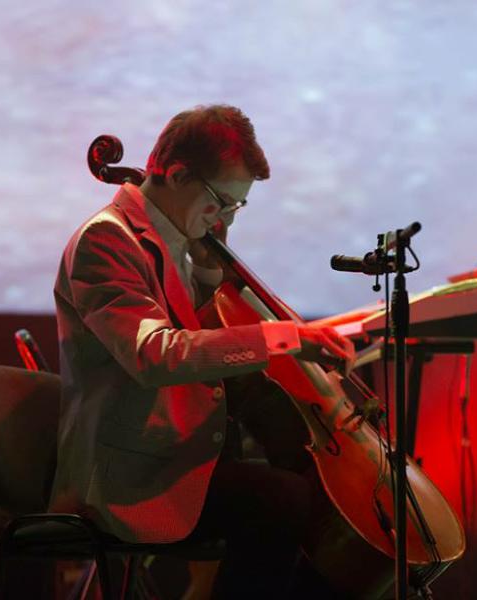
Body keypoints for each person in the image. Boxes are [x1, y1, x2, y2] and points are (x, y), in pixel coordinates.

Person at [49, 104, 353, 597]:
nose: (225, 217)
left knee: (315, 492)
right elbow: (155, 354)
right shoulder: (106, 240)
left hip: (177, 454)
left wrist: (209, 273)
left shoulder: (175, 241)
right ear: (177, 175)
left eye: (236, 207)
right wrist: (284, 338)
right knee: (279, 501)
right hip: (130, 476)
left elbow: (197, 333)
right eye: (221, 201)